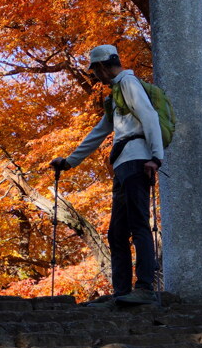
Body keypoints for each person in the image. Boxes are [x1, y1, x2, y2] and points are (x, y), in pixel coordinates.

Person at [50, 45, 164, 305]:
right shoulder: (115, 96)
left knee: (138, 225)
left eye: (95, 71)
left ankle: (144, 288)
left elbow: (149, 115)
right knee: (117, 232)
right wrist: (69, 162)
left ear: (101, 67)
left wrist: (156, 158)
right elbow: (100, 131)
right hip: (124, 164)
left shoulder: (127, 83)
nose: (96, 76)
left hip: (137, 160)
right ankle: (122, 292)